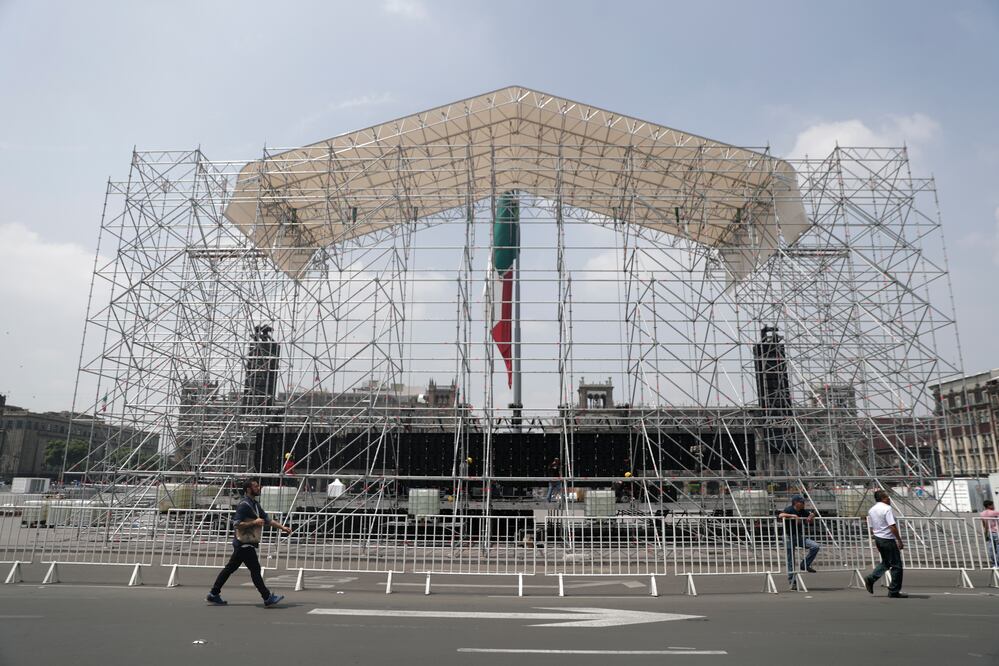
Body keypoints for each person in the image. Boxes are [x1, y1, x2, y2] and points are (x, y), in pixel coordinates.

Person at [207, 478, 293, 607]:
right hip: (244, 543)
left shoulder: (255, 505)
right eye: (256, 486)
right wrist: (254, 522)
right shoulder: (244, 505)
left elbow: (267, 520)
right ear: (248, 489)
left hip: (246, 543)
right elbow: (236, 524)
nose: (259, 488)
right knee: (255, 570)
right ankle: (267, 597)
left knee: (230, 569)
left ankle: (213, 593)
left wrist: (283, 528)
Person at [864, 489, 906, 598]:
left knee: (886, 562)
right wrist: (899, 540)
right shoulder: (887, 509)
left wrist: (876, 540)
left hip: (879, 538)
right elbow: (892, 526)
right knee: (897, 566)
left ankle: (871, 578)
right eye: (887, 497)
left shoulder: (872, 510)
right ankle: (894, 591)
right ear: (883, 498)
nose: (889, 499)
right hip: (888, 539)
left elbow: (872, 528)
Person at [778, 494, 820, 589]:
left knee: (815, 546)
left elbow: (810, 515)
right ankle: (792, 581)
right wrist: (793, 516)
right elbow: (781, 515)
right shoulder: (789, 509)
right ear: (795, 503)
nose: (803, 503)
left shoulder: (802, 511)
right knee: (790, 559)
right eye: (801, 502)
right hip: (788, 536)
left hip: (798, 536)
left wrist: (812, 515)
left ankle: (804, 564)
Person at [980, 499, 999, 568]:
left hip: (989, 533)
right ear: (988, 506)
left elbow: (984, 525)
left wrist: (985, 535)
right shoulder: (994, 512)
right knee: (998, 549)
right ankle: (998, 564)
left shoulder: (982, 514)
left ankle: (994, 564)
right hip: (997, 532)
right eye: (992, 505)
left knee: (991, 549)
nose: (993, 506)